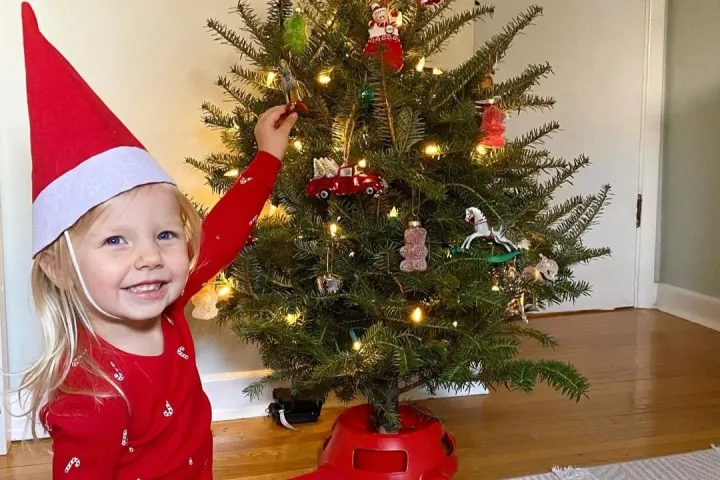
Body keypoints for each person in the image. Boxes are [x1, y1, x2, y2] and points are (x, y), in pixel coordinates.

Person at [15, 3, 297, 478]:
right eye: (115, 241)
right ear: (58, 266)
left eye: (165, 234)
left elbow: (221, 234)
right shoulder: (93, 395)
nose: (150, 257)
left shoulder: (165, 302)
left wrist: (267, 156)